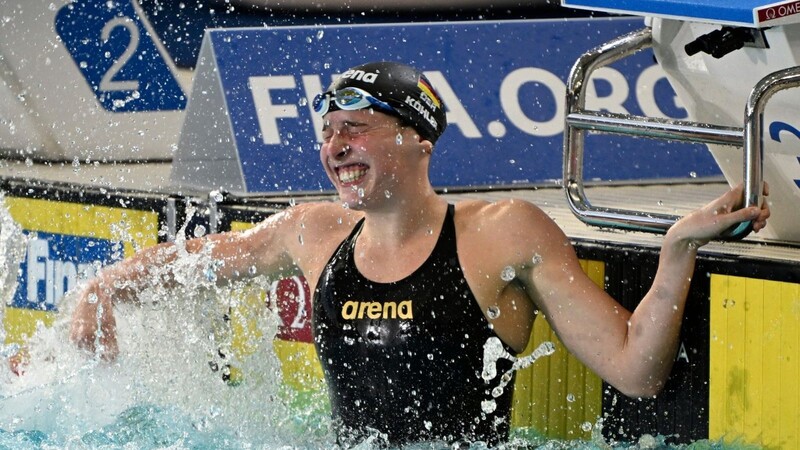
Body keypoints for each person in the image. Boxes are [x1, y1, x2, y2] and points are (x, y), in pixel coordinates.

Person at [70, 61, 770, 447]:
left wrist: (676, 252)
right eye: (328, 133)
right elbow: (194, 261)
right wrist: (104, 287)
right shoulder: (312, 233)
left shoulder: (503, 232)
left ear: (418, 140)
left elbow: (635, 372)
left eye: (358, 128)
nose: (335, 147)